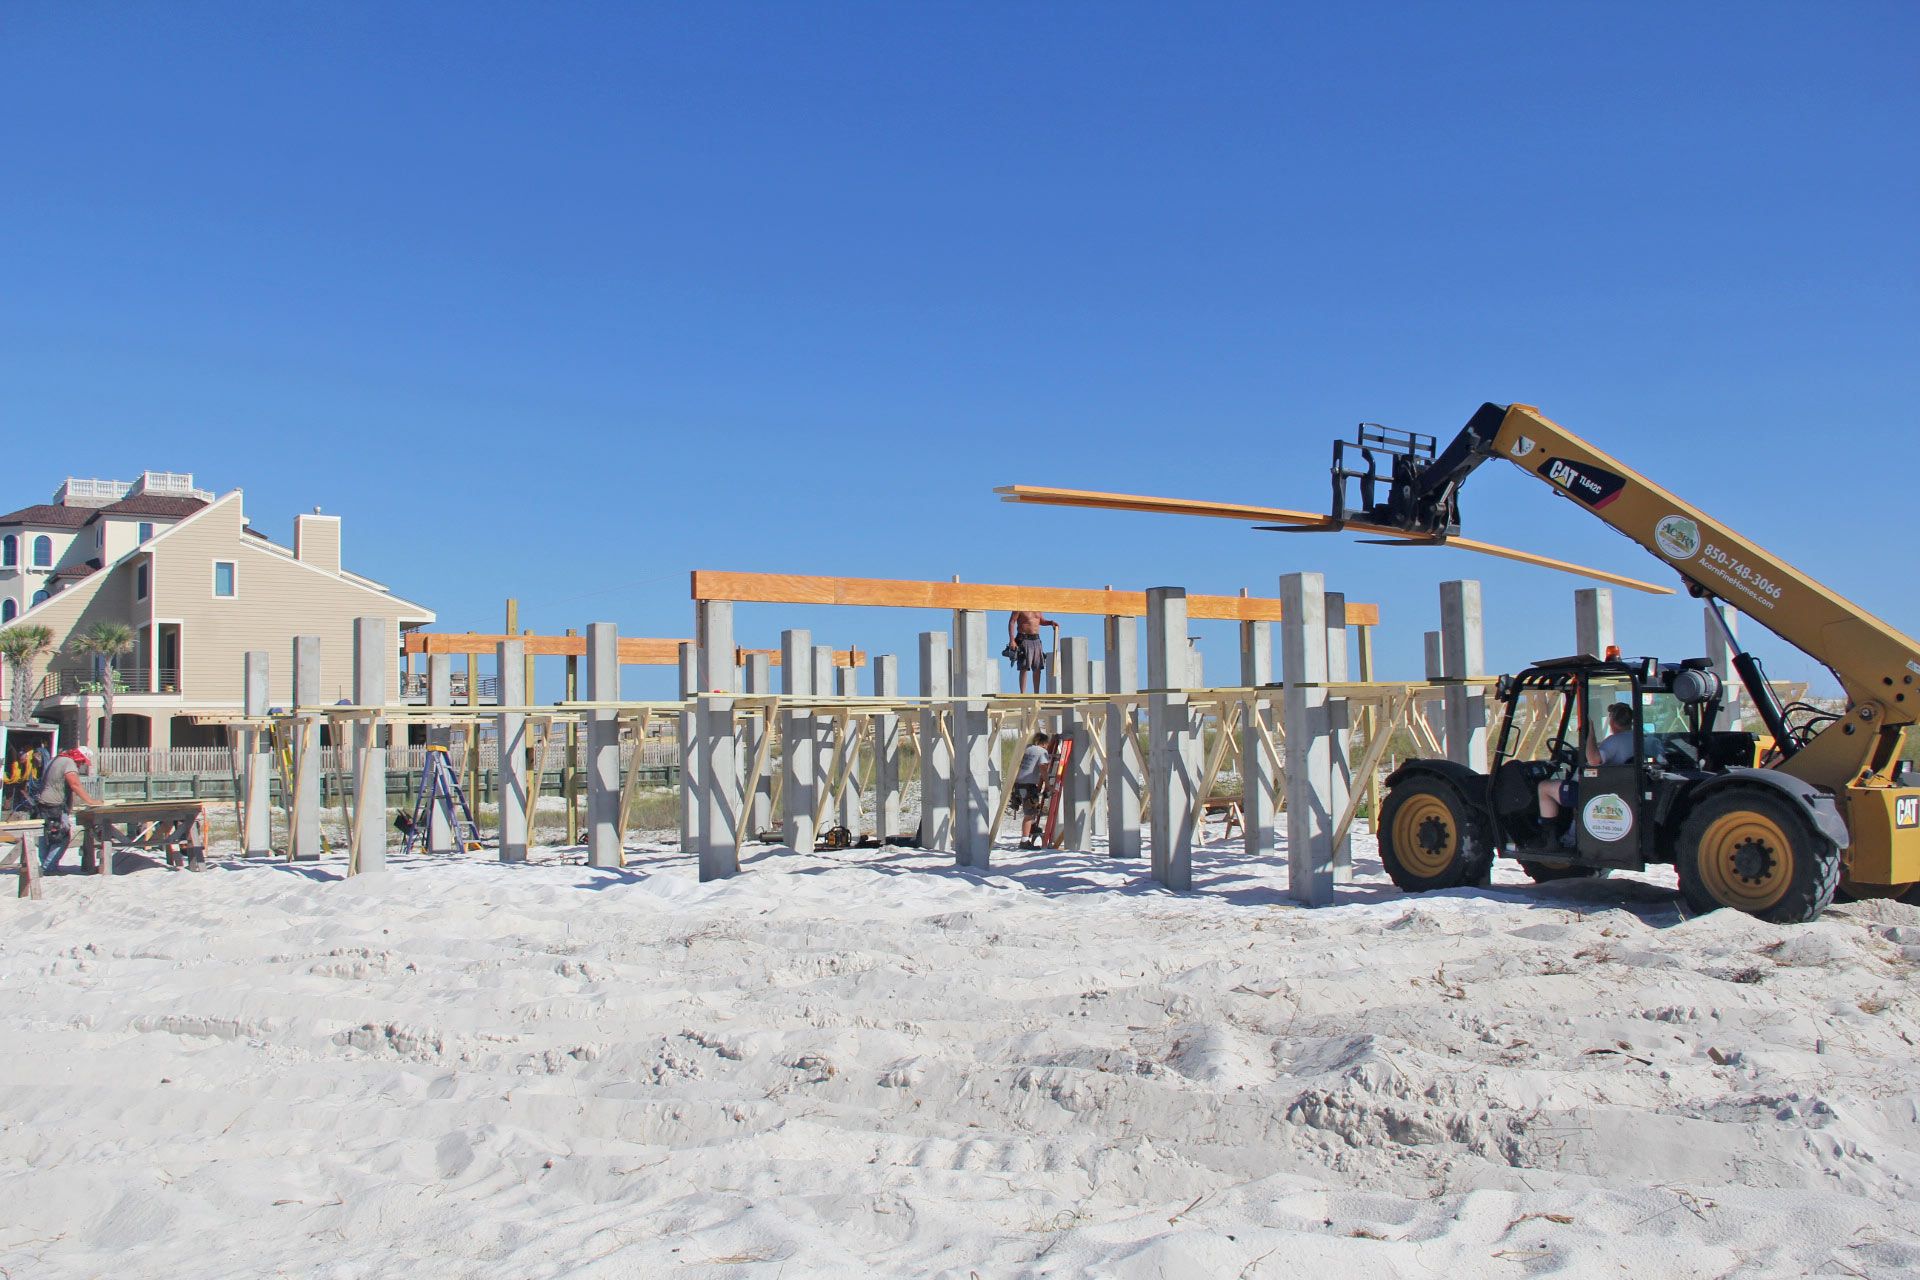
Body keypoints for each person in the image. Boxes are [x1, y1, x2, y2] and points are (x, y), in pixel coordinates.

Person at [1537, 701, 1635, 835]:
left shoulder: (1615, 741)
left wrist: (1591, 733)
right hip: (1617, 788)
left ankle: (1550, 839)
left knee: (1544, 787)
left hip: (1592, 790)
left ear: (1612, 720)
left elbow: (1594, 760)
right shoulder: (1639, 738)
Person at [37, 744, 97, 875]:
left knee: (46, 835)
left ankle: (44, 864)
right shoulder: (69, 762)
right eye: (82, 762)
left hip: (43, 802)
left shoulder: (56, 759)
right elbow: (75, 784)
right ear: (79, 757)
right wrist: (91, 801)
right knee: (62, 836)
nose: (81, 765)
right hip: (55, 805)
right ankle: (48, 867)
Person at [1011, 731, 1053, 849]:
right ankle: (1024, 841)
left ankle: (1033, 827)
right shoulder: (1042, 752)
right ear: (1044, 743)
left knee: (1032, 810)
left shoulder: (1027, 749)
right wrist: (1048, 786)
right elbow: (1043, 769)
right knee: (1029, 814)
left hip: (1018, 785)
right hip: (1028, 785)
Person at [1008, 610, 1058, 694]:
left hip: (1036, 639)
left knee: (1038, 667)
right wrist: (1012, 640)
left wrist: (1050, 622)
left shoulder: (1037, 607)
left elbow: (1041, 620)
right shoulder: (1019, 606)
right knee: (1024, 667)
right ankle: (1023, 693)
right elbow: (1012, 622)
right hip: (1023, 638)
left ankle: (1036, 693)